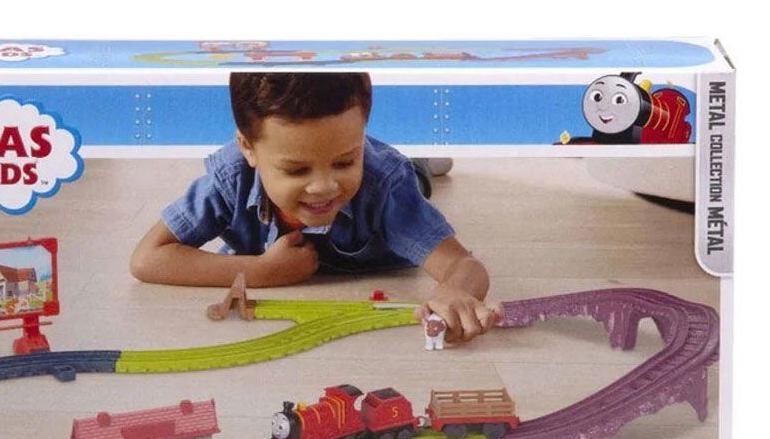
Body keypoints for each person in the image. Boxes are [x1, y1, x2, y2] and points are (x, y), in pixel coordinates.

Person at [129, 72, 498, 343]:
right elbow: (147, 258)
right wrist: (262, 271)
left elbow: (464, 265)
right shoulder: (231, 177)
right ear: (248, 148)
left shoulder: (386, 182)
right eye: (297, 170)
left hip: (399, 175)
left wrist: (455, 291)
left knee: (413, 174)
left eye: (344, 161)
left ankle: (425, 161)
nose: (324, 186)